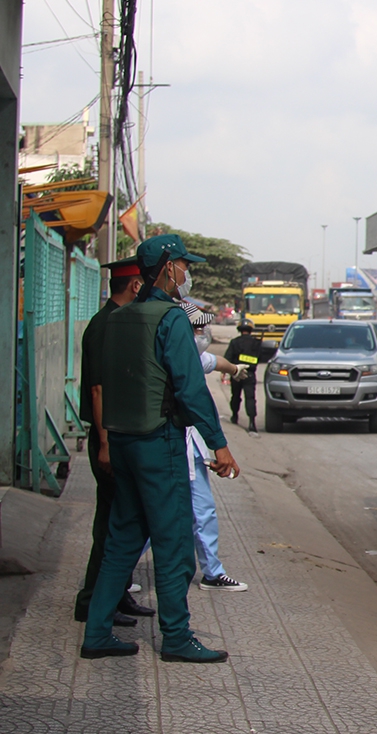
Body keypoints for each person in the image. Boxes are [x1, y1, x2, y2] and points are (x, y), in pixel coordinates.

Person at [81, 234, 240, 662]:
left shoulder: (116, 319)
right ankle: (176, 637)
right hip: (159, 442)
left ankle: (96, 632)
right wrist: (219, 445)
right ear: (168, 267)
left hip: (124, 441)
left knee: (122, 539)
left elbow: (108, 384)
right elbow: (191, 390)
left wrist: (108, 442)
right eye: (184, 266)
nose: (187, 274)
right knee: (173, 544)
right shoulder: (170, 320)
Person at [73, 258, 156, 627]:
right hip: (108, 436)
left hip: (116, 433)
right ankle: (92, 601)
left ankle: (116, 595)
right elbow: (98, 388)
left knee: (118, 520)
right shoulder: (108, 324)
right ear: (136, 287)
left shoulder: (116, 320)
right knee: (110, 523)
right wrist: (105, 445)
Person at [182, 302, 250, 592]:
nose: (203, 333)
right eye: (197, 328)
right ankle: (116, 577)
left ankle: (212, 571)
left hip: (191, 449)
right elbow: (200, 407)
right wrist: (219, 446)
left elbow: (215, 361)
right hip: (171, 447)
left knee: (203, 510)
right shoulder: (174, 361)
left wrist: (235, 369)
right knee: (152, 516)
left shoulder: (193, 357)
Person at [225, 320, 262, 432]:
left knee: (235, 396)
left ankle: (234, 415)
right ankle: (252, 422)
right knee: (250, 398)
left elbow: (228, 358)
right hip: (249, 374)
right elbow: (259, 357)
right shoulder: (256, 343)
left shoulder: (234, 342)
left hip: (236, 373)